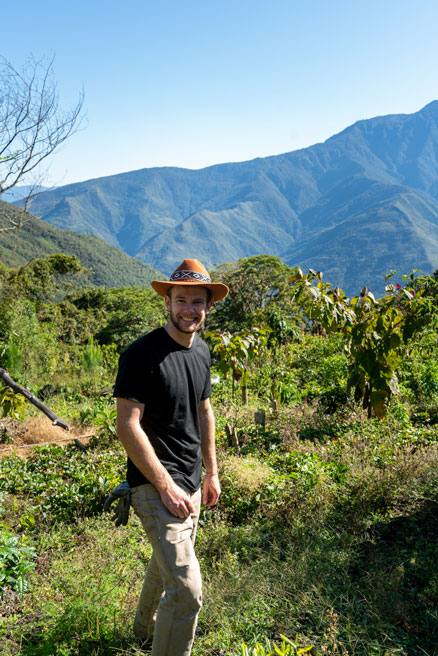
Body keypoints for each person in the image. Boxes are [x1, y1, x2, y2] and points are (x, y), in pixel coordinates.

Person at [113, 258, 229, 656]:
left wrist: (211, 473)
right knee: (186, 590)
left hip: (192, 484)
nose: (189, 309)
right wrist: (165, 486)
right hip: (154, 486)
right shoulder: (141, 354)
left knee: (166, 572)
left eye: (197, 302)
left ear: (208, 307)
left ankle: (144, 634)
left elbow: (204, 411)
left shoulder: (201, 352)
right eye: (181, 300)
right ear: (167, 301)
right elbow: (128, 425)